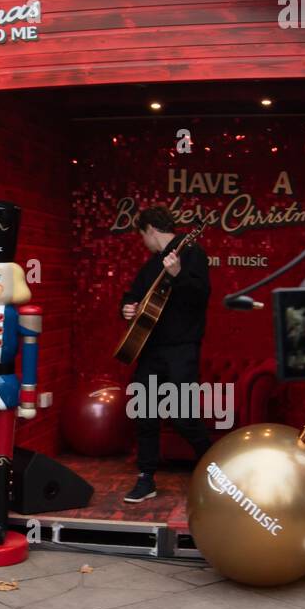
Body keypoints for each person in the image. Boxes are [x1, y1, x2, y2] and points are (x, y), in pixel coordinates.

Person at [120, 205, 212, 503]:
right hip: (151, 350)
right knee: (145, 414)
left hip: (181, 349)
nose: (143, 241)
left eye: (142, 235)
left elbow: (201, 295)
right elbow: (133, 294)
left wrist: (178, 274)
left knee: (183, 415)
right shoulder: (151, 265)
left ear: (149, 229)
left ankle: (215, 465)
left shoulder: (192, 252)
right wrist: (127, 307)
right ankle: (146, 478)